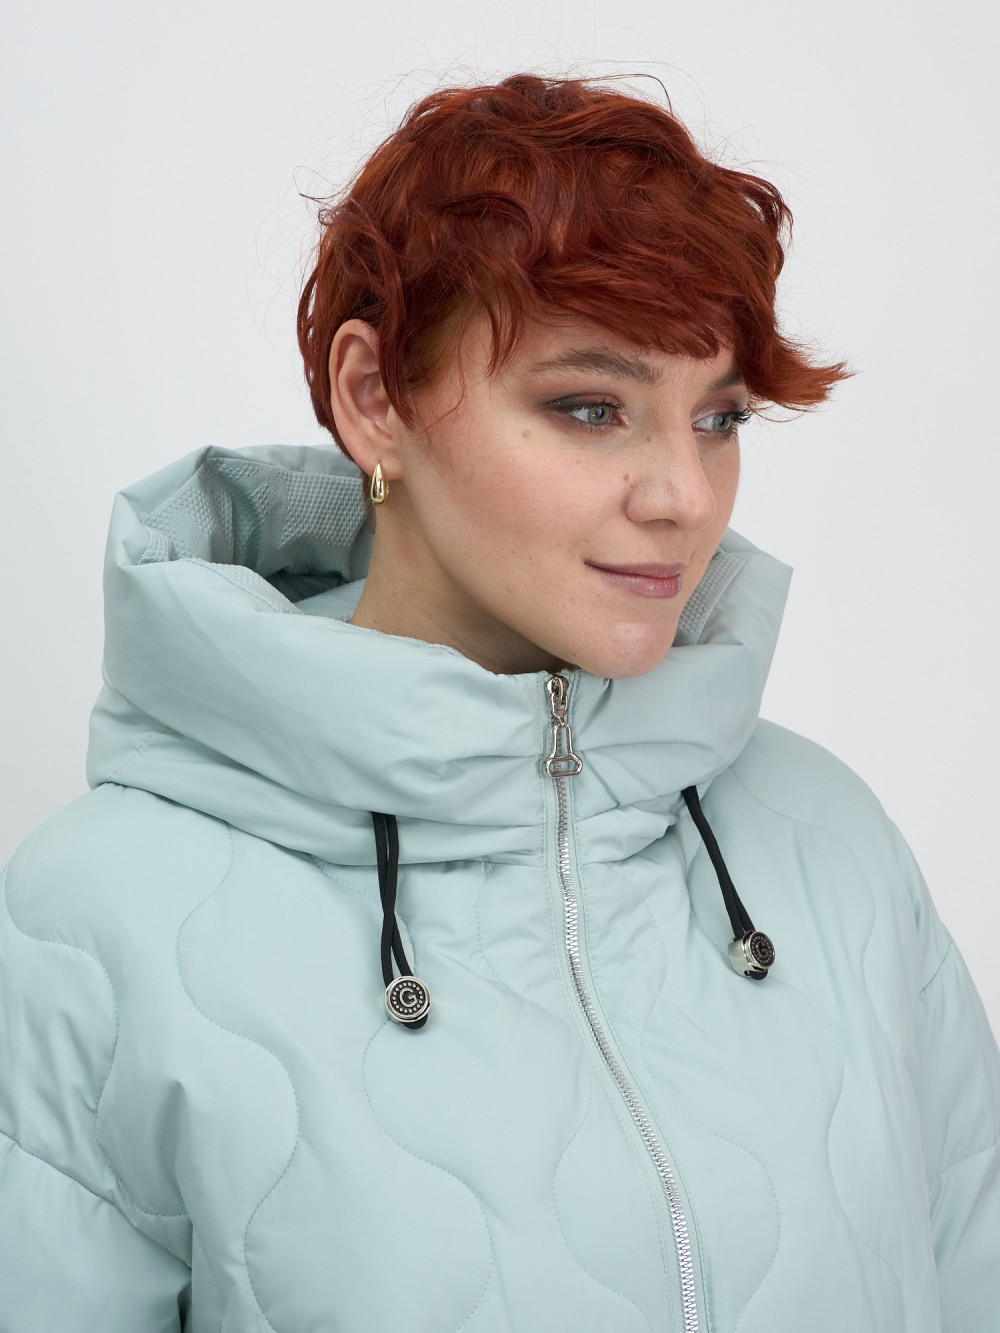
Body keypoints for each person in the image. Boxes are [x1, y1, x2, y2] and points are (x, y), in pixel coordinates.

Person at [0, 72, 997, 1333]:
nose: (684, 496)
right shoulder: (94, 921)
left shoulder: (831, 842)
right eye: (590, 408)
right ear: (376, 400)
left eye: (718, 416)